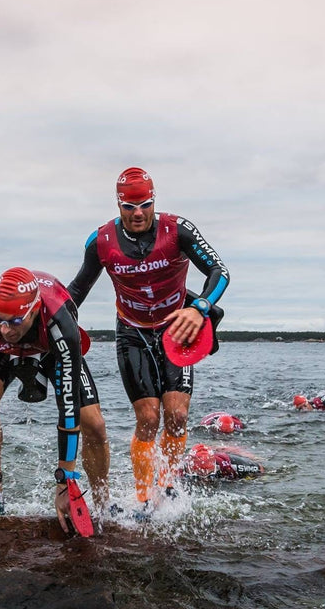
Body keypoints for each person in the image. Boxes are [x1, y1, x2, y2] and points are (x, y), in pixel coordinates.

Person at [68, 167, 229, 511]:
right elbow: (78, 290)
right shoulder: (101, 241)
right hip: (132, 331)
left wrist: (199, 308)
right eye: (129, 206)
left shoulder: (178, 230)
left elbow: (220, 271)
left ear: (154, 201)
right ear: (118, 204)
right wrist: (52, 320)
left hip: (178, 328)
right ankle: (143, 495)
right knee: (149, 417)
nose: (137, 213)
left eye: (144, 205)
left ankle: (167, 483)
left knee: (177, 414)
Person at [0, 267, 110, 533]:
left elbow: (68, 406)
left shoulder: (60, 320)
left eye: (12, 321)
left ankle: (103, 503)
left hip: (50, 349)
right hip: (1, 352)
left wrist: (65, 481)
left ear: (35, 309)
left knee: (94, 423)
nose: (4, 329)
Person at [178, 443, 265, 481]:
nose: (204, 481)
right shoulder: (178, 470)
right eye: (197, 477)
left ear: (216, 468)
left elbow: (259, 468)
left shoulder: (228, 464)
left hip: (224, 455)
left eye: (210, 476)